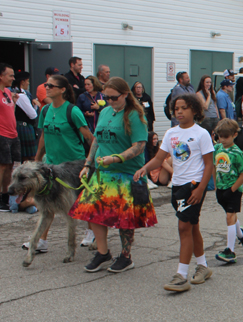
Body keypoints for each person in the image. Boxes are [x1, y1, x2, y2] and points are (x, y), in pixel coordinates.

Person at [69, 77, 157, 273]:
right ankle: (103, 253)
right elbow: (97, 140)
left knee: (124, 219)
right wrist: (87, 164)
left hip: (126, 173)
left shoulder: (135, 115)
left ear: (125, 94)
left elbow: (139, 146)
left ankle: (126, 257)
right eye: (106, 98)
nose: (109, 101)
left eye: (114, 98)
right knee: (93, 213)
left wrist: (116, 158)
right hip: (103, 172)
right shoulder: (106, 112)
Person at [135, 94, 214, 292]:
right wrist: (144, 169)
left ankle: (181, 275)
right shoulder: (171, 133)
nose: (179, 111)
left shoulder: (201, 134)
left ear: (195, 110)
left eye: (184, 108)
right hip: (177, 186)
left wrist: (201, 188)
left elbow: (209, 164)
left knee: (183, 228)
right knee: (192, 226)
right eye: (176, 108)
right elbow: (159, 158)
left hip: (193, 186)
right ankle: (203, 266)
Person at [25, 74, 94, 251]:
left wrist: (90, 161)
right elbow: (44, 136)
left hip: (74, 164)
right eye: (46, 85)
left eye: (51, 86)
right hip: (52, 166)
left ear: (62, 90)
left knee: (81, 200)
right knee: (47, 202)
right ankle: (42, 241)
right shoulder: (46, 110)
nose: (47, 88)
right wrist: (37, 159)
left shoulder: (73, 111)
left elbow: (89, 138)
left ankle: (91, 232)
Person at [213, 119, 243, 263]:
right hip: (221, 188)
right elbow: (214, 166)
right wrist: (216, 186)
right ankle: (241, 235)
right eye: (220, 136)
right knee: (231, 216)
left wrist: (232, 189)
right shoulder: (217, 149)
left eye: (226, 136)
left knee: (229, 217)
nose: (222, 140)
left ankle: (230, 251)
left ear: (234, 135)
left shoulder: (237, 153)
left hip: (234, 189)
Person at [0, 63, 21, 211]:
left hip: (13, 133)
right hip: (2, 134)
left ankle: (5, 196)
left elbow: (9, 113)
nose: (13, 78)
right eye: (10, 75)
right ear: (1, 76)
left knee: (10, 166)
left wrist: (14, 102)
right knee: (2, 166)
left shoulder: (7, 91)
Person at [12, 71, 38, 161]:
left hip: (19, 126)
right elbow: (32, 115)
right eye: (27, 81)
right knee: (29, 157)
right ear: (22, 82)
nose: (29, 83)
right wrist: (36, 106)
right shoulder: (21, 96)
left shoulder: (17, 93)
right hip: (24, 127)